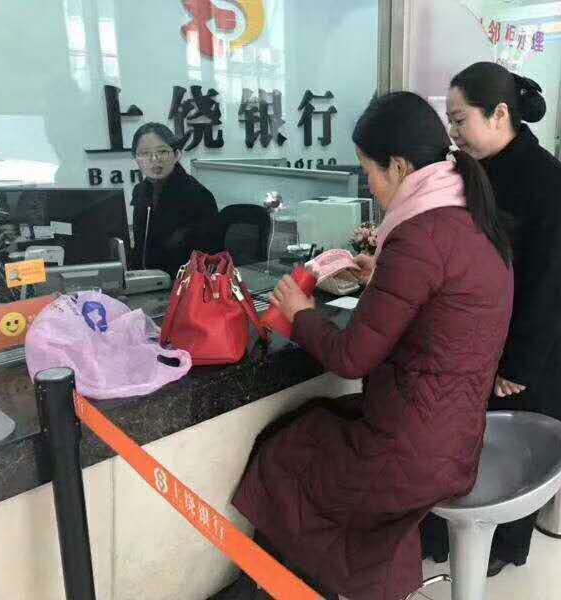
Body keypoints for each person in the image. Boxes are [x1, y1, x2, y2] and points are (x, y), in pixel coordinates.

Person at [210, 92, 514, 600]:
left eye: (368, 170)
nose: (368, 185)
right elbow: (443, 310)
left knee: (284, 455)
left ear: (398, 167)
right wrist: (383, 278)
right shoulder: (468, 218)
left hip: (414, 454)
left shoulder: (419, 236)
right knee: (315, 426)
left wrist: (299, 313)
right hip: (457, 440)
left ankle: (279, 587)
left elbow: (351, 358)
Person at [421, 62, 561, 577]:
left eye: (460, 119)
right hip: (474, 341)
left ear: (498, 114)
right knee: (469, 446)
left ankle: (504, 547)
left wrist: (518, 365)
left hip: (527, 350)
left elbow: (550, 285)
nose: (453, 132)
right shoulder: (466, 171)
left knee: (517, 455)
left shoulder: (552, 183)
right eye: (449, 121)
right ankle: (452, 535)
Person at [130, 123, 222, 276]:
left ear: (177, 154)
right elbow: (141, 247)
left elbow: (208, 259)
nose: (154, 159)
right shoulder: (141, 192)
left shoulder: (197, 195)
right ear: (136, 159)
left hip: (183, 282)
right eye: (145, 153)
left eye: (162, 151)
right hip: (148, 279)